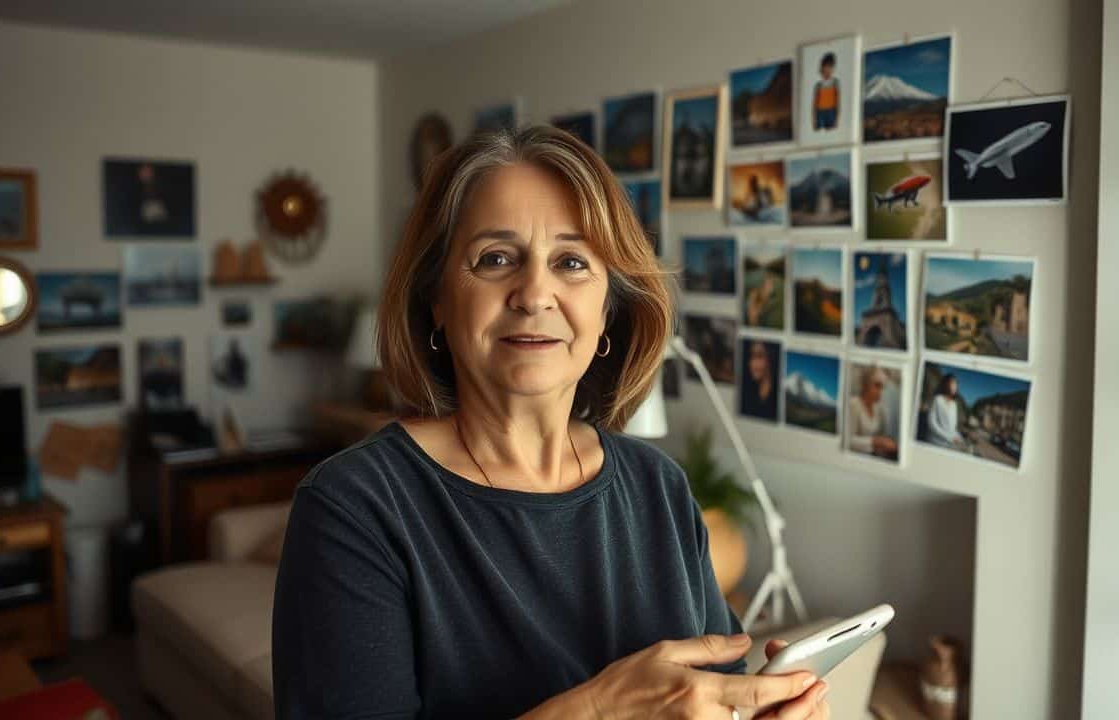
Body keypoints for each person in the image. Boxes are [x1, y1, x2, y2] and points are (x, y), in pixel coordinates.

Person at [271, 125, 829, 720]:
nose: (534, 293)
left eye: (570, 261)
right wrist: (596, 710)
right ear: (435, 298)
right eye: (496, 258)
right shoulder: (355, 507)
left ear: (607, 309)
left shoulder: (659, 487)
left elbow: (718, 695)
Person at [848, 364, 898, 460]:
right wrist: (875, 442)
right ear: (865, 384)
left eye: (883, 387)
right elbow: (848, 441)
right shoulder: (853, 404)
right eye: (877, 386)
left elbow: (882, 434)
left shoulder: (878, 407)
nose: (880, 392)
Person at [926, 372, 966, 450]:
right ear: (946, 384)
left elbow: (952, 427)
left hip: (948, 444)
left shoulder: (954, 404)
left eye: (956, 384)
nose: (955, 387)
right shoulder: (937, 399)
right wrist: (949, 438)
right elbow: (931, 423)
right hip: (936, 442)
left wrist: (959, 437)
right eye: (952, 384)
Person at [740, 339, 778, 420]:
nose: (752, 363)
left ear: (770, 359)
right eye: (751, 357)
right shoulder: (748, 396)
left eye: (759, 356)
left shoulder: (777, 398)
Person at [812, 52, 840, 131]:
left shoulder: (835, 82)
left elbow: (837, 101)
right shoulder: (818, 85)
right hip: (820, 112)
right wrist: (814, 119)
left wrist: (837, 118)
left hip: (831, 111)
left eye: (829, 67)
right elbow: (815, 103)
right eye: (825, 67)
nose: (827, 70)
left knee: (830, 131)